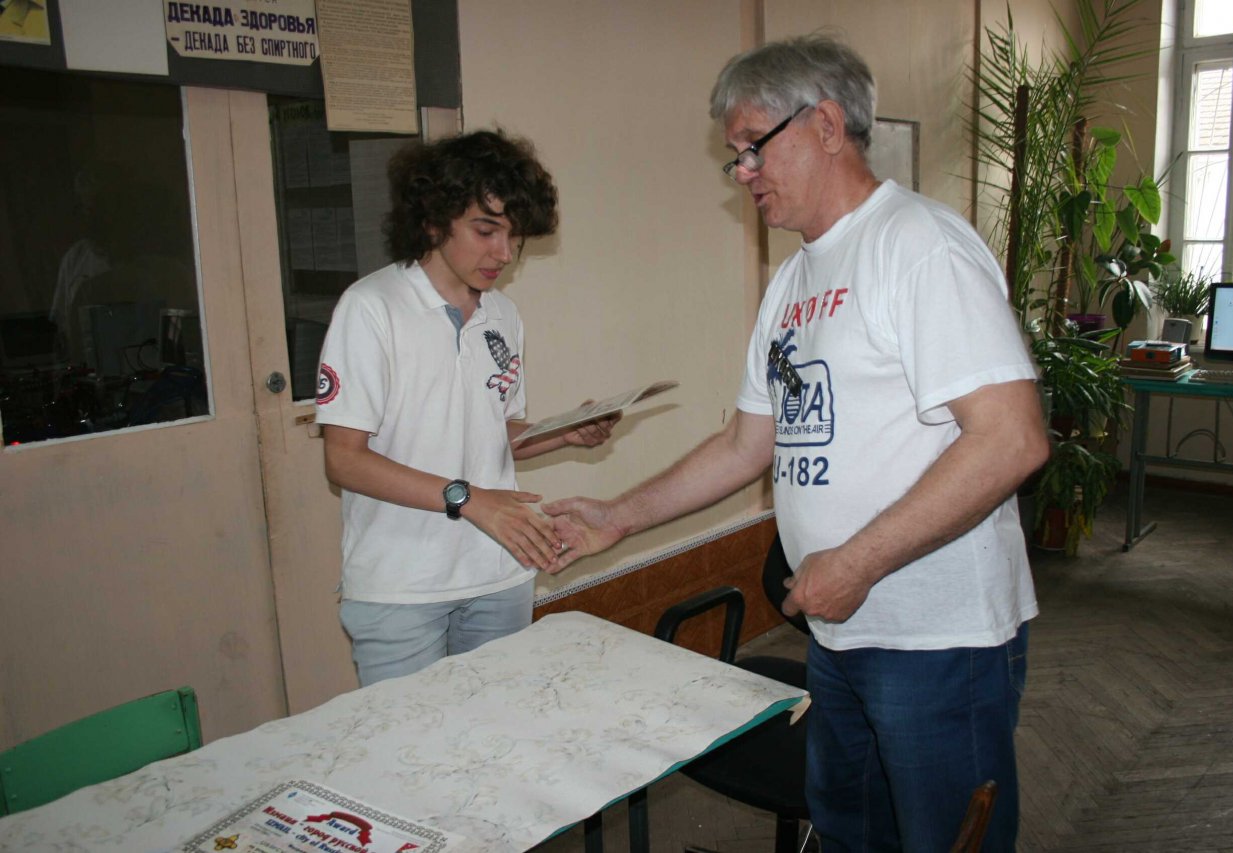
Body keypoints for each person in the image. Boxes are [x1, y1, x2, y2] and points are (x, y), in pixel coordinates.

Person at [543, 36, 1049, 852]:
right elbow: (745, 444)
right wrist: (618, 516)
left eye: (753, 146)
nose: (742, 172)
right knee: (849, 833)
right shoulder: (793, 281)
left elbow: (1010, 439)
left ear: (825, 124)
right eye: (734, 155)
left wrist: (858, 562)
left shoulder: (919, 246)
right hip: (841, 630)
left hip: (934, 638)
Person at [316, 130, 616, 687]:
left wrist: (564, 433)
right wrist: (470, 499)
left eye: (513, 235)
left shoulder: (503, 315)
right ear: (434, 220)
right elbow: (344, 460)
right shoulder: (372, 308)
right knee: (414, 736)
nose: (503, 253)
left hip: (499, 569)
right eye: (486, 230)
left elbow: (492, 433)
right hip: (403, 585)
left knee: (497, 726)